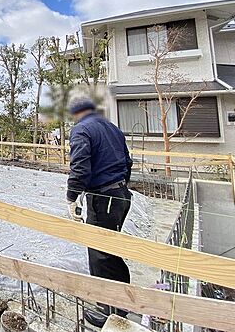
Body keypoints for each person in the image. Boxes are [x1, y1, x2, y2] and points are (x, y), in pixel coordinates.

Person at [66, 96, 133, 328]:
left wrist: (72, 197)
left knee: (100, 254)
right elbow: (128, 161)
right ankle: (122, 302)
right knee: (110, 250)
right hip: (120, 194)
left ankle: (109, 310)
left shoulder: (82, 130)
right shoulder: (111, 128)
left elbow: (80, 167)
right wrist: (120, 187)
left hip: (103, 198)